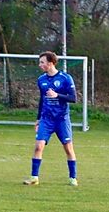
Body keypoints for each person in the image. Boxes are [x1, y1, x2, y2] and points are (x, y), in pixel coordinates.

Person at [23, 51, 78, 186]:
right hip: (46, 119)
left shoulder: (65, 78)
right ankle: (34, 177)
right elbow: (42, 100)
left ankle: (73, 177)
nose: (39, 65)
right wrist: (38, 119)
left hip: (61, 119)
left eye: (42, 62)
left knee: (68, 149)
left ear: (51, 63)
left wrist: (57, 95)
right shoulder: (41, 80)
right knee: (38, 147)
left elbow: (73, 98)